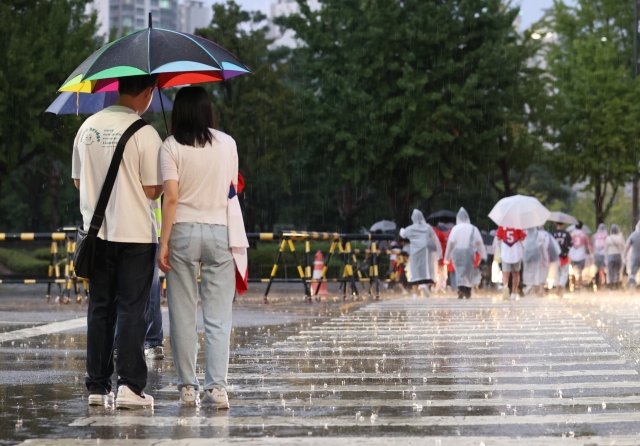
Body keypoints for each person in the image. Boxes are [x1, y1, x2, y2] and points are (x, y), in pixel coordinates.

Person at [72, 74, 163, 408]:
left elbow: (80, 183)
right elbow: (153, 190)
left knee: (100, 308)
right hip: (136, 235)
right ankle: (129, 387)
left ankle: (97, 387)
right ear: (148, 93)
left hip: (97, 235)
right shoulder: (146, 133)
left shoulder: (88, 127)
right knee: (131, 310)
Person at [158, 86, 241, 408]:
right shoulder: (228, 143)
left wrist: (162, 243)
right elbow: (231, 187)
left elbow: (172, 198)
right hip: (221, 230)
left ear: (178, 112)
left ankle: (187, 389)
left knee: (182, 314)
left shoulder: (169, 146)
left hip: (182, 232)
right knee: (219, 316)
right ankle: (217, 388)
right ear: (208, 111)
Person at [444, 208, 486, 299]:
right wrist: (484, 255)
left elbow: (450, 244)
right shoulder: (474, 229)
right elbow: (479, 243)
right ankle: (468, 289)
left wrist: (446, 257)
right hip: (469, 252)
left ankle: (461, 289)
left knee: (459, 272)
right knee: (468, 271)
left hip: (457, 252)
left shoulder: (455, 229)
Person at [399, 210, 442, 298]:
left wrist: (402, 229)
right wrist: (438, 251)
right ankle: (424, 285)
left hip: (414, 251)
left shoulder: (410, 228)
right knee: (426, 269)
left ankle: (415, 293)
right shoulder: (427, 227)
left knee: (415, 270)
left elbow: (403, 234)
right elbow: (434, 239)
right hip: (426, 251)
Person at [495, 226, 526, 300]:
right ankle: (514, 293)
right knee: (516, 273)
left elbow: (498, 237)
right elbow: (522, 237)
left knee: (505, 273)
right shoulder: (518, 225)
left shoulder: (502, 225)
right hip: (516, 252)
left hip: (506, 252)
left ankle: (505, 287)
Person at [522, 227, 547, 296]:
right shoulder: (539, 233)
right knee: (536, 272)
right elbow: (542, 245)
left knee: (527, 271)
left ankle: (528, 286)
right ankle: (534, 289)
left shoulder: (524, 232)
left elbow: (522, 243)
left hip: (526, 255)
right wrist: (545, 257)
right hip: (536, 256)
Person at [569, 221, 592, 289]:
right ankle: (578, 286)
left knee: (572, 271)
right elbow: (587, 245)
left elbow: (570, 244)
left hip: (572, 254)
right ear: (581, 227)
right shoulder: (584, 235)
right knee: (580, 271)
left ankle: (573, 285)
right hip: (581, 254)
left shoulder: (572, 234)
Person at [552, 222, 573, 297]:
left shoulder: (552, 233)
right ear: (563, 224)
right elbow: (570, 245)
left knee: (557, 273)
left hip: (555, 255)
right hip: (564, 255)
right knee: (564, 273)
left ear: (556, 224)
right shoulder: (566, 234)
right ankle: (561, 286)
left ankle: (558, 285)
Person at [605, 224, 625, 289]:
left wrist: (605, 259)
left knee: (611, 271)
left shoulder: (608, 238)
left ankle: (611, 284)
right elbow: (623, 247)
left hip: (610, 255)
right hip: (618, 255)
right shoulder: (620, 238)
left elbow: (605, 249)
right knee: (617, 270)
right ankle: (616, 284)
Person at [624, 221, 640, 290]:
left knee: (633, 274)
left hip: (635, 257)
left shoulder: (633, 234)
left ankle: (631, 289)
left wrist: (624, 255)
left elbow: (627, 246)